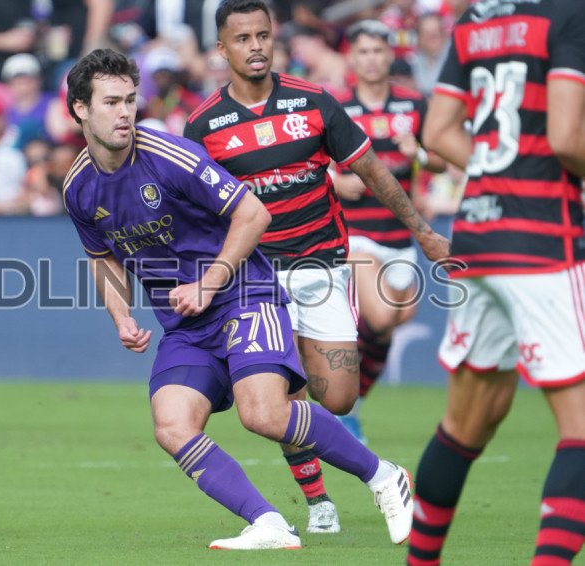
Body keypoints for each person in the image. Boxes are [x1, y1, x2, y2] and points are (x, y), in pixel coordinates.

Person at [64, 47, 416, 550]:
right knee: (172, 425)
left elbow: (253, 214)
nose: (125, 113)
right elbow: (102, 256)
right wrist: (121, 316)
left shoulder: (170, 157)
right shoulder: (77, 187)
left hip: (243, 294)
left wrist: (209, 283)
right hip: (187, 325)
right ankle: (269, 522)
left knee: (264, 414)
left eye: (130, 100)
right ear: (80, 108)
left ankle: (384, 476)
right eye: (111, 102)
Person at [183, 0, 449, 535]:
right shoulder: (204, 124)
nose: (255, 46)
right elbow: (196, 210)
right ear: (222, 48)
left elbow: (372, 171)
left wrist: (421, 229)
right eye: (242, 38)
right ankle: (318, 499)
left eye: (262, 35)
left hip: (323, 268)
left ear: (274, 37)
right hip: (258, 279)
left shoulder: (314, 102)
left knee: (337, 397)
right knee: (277, 395)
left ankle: (352, 472)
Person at [407, 1, 585, 565]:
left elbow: (437, 131)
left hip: (478, 238)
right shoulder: (568, 15)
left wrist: (497, 170)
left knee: (466, 425)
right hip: (543, 239)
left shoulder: (477, 19)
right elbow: (565, 137)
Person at [332, 20, 446, 444]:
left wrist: (420, 155)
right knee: (380, 315)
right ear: (352, 57)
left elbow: (440, 158)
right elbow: (309, 159)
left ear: (390, 54)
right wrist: (335, 180)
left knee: (396, 319)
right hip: (355, 231)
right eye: (363, 51)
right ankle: (336, 394)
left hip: (399, 234)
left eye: (378, 51)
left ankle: (351, 405)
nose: (371, 59)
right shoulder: (336, 105)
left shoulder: (414, 104)